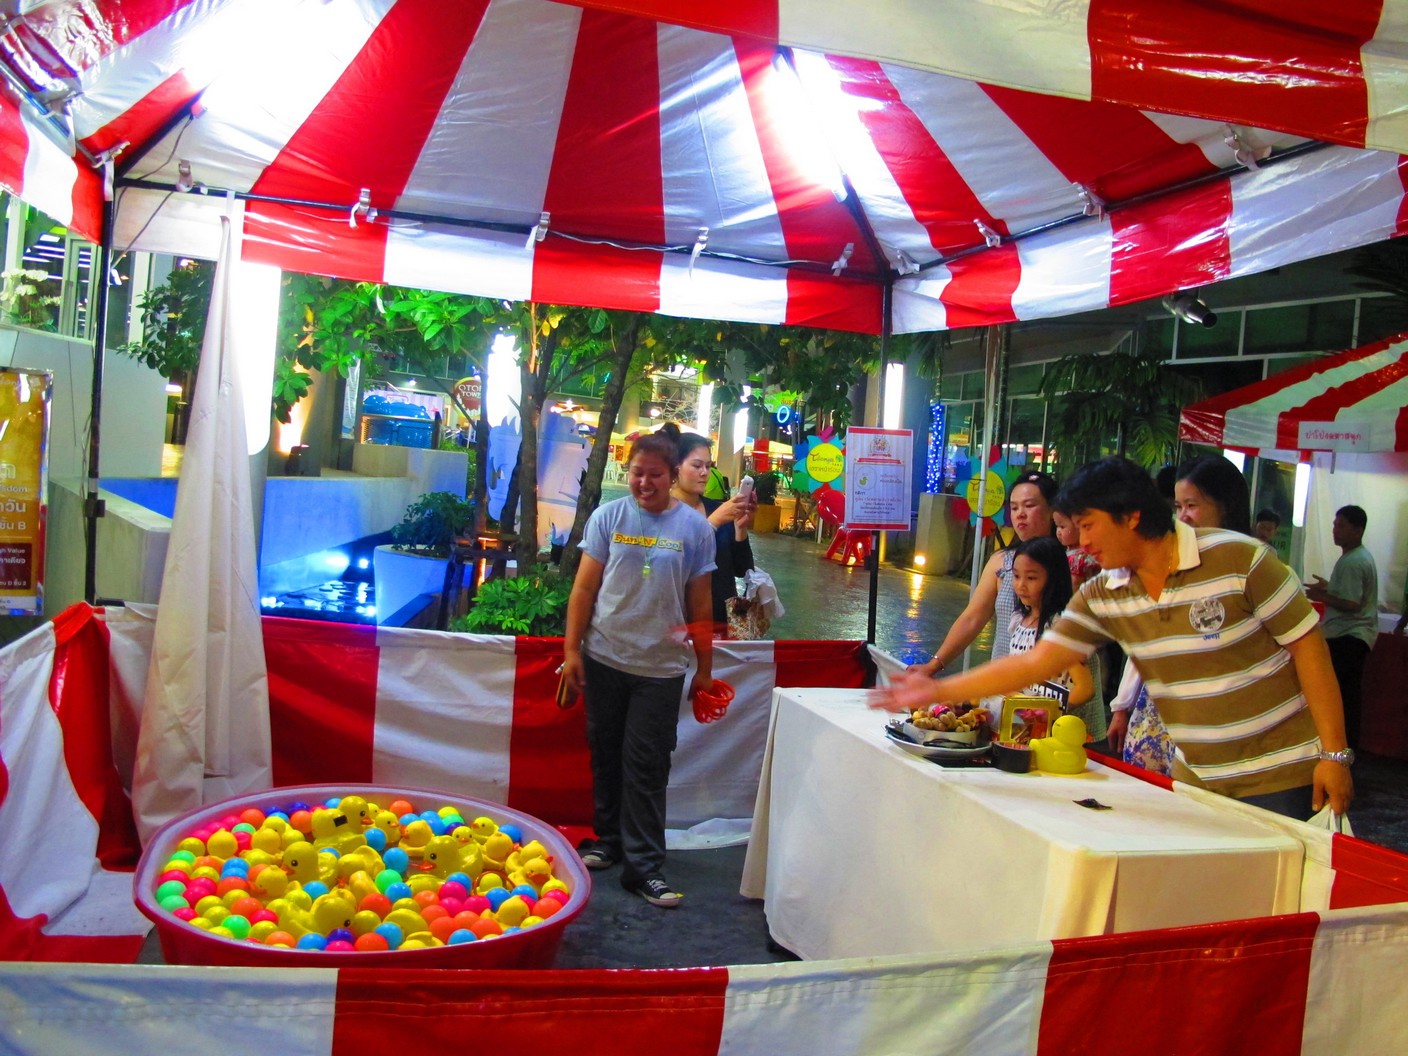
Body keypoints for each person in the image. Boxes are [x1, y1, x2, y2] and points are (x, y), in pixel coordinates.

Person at [875, 456, 1354, 820]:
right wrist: (936, 688)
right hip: (1195, 776)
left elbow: (1310, 650)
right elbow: (1034, 663)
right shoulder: (1105, 593)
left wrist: (1335, 754)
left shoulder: (1243, 559)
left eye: (1088, 525)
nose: (1081, 540)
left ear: (1130, 516)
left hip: (1281, 774)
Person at [561, 430, 718, 908]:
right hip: (604, 657)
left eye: (654, 475)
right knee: (605, 754)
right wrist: (571, 652)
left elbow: (701, 603)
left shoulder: (695, 529)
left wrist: (704, 669)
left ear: (672, 477)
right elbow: (584, 590)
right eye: (636, 473)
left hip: (661, 669)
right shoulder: (608, 517)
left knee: (647, 765)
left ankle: (645, 867)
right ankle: (608, 841)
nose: (644, 483)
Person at [1110, 455, 1253, 771]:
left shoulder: (1252, 567)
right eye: (1178, 506)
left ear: (1226, 505)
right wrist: (1122, 705)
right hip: (1157, 712)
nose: (1183, 516)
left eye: (1192, 505)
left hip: (1218, 718)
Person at [912, 471, 1059, 675]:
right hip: (1004, 680)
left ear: (1053, 510)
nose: (1020, 514)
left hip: (1053, 683)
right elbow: (973, 617)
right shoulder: (1001, 561)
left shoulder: (1071, 562)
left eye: (1029, 505)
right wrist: (933, 665)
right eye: (1014, 507)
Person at [661, 423, 757, 628]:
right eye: (697, 466)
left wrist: (740, 528)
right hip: (676, 622)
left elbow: (743, 569)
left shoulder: (719, 509)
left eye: (708, 465)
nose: (705, 472)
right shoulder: (661, 512)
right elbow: (672, 562)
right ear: (675, 467)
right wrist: (713, 522)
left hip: (720, 621)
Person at [1006, 536, 1099, 737]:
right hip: (1025, 728)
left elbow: (1085, 688)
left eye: (1031, 578)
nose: (1021, 585)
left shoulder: (1061, 628)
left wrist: (1048, 715)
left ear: (1054, 579)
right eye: (1016, 576)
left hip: (1059, 734)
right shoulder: (1019, 620)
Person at [1307, 506, 1378, 752]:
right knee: (1347, 695)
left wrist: (1321, 596)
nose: (1335, 530)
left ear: (1358, 530)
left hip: (1348, 636)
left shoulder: (1354, 562)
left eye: (1341, 526)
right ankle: (1344, 747)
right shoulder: (1356, 558)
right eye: (1334, 525)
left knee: (1342, 696)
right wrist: (1329, 588)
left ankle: (1340, 748)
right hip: (1352, 636)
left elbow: (1352, 603)